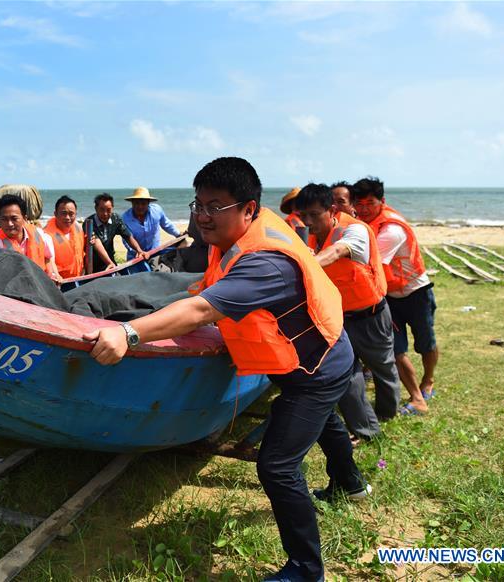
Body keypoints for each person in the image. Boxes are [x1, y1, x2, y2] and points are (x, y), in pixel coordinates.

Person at [85, 157, 368, 582]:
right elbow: (209, 285)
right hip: (319, 352)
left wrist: (128, 334)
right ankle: (351, 483)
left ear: (248, 208)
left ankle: (307, 569)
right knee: (325, 421)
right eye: (197, 204)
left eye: (215, 206)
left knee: (277, 465)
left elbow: (201, 309)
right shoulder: (249, 233)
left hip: (314, 370)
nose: (201, 215)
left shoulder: (265, 261)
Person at [296, 184, 402, 435]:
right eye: (303, 215)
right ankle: (365, 430)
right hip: (337, 318)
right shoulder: (307, 236)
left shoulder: (355, 229)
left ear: (331, 210)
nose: (308, 221)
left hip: (370, 314)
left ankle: (388, 413)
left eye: (314, 214)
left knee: (383, 367)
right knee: (347, 375)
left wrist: (307, 263)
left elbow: (338, 251)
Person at [353, 177, 436, 415]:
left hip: (416, 292)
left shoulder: (391, 229)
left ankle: (428, 380)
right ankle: (417, 398)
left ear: (382, 202)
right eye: (360, 203)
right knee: (396, 350)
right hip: (388, 296)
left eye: (371, 202)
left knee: (426, 344)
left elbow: (369, 264)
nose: (365, 208)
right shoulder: (362, 224)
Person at [0, 194, 62, 283]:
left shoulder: (39, 233)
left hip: (41, 287)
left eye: (14, 218)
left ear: (24, 219)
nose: (10, 224)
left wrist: (53, 275)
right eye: (4, 219)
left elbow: (48, 257)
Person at [83, 193, 148, 271]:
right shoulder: (89, 223)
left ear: (112, 208)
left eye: (108, 210)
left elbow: (128, 236)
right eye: (102, 209)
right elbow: (97, 244)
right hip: (92, 265)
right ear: (96, 208)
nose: (105, 214)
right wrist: (109, 263)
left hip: (111, 261)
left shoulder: (116, 219)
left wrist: (139, 250)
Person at [121, 187, 181, 260]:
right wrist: (138, 251)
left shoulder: (156, 211)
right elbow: (126, 239)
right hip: (135, 257)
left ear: (148, 203)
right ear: (132, 203)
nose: (140, 206)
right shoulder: (125, 218)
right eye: (137, 203)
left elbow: (166, 224)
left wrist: (178, 234)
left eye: (143, 204)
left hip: (155, 253)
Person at [43, 195, 85, 279]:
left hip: (78, 278)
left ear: (76, 214)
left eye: (71, 214)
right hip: (58, 281)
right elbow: (47, 260)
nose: (67, 218)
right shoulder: (46, 235)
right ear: (55, 214)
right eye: (64, 213)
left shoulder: (78, 228)